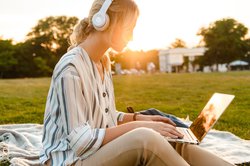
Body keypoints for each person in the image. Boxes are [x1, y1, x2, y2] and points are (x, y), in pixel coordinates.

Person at [39, 0, 234, 165]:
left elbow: (104, 116)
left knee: (175, 140)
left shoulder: (103, 62)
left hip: (91, 153)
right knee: (146, 138)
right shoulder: (71, 67)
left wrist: (141, 119)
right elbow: (81, 141)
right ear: (105, 22)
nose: (131, 37)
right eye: (128, 29)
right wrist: (142, 128)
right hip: (69, 160)